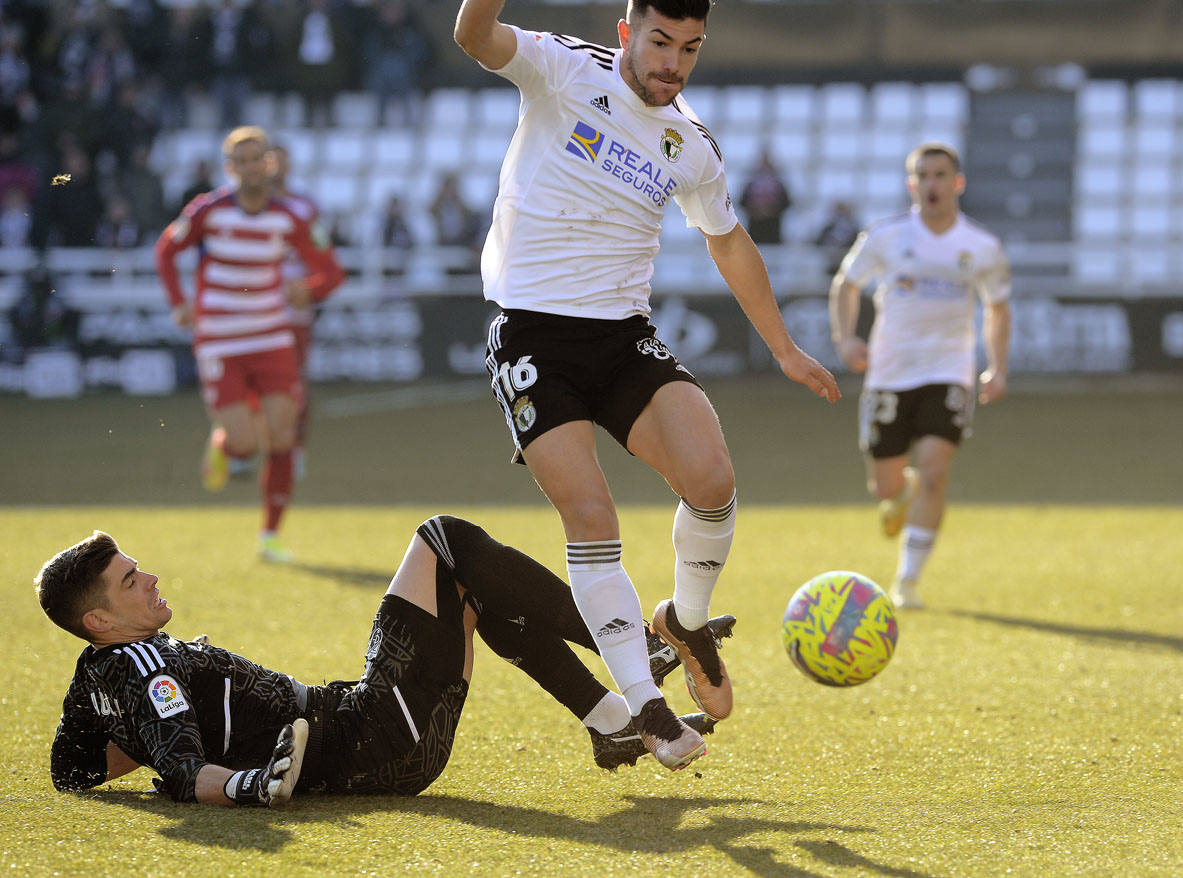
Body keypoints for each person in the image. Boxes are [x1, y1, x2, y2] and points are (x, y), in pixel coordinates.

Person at [454, 0, 840, 771]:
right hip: (531, 333)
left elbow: (728, 243)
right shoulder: (564, 69)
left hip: (622, 338)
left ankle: (684, 621)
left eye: (690, 49)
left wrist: (785, 347)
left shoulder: (690, 144)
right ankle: (646, 706)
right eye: (660, 42)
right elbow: (473, 35)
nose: (673, 63)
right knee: (591, 516)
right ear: (628, 33)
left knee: (712, 478)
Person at [36, 516, 730, 806]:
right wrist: (253, 785)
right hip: (368, 732)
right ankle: (637, 647)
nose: (150, 577)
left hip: (376, 744)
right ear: (98, 621)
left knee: (469, 589)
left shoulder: (113, 672)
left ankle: (611, 718)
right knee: (443, 540)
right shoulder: (143, 665)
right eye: (131, 581)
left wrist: (122, 722)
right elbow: (185, 772)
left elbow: (73, 772)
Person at [828, 141, 1011, 610]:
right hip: (890, 372)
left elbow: (997, 307)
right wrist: (846, 337)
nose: (932, 184)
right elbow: (847, 284)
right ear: (913, 185)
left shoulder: (981, 246)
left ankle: (907, 581)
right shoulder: (886, 236)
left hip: (949, 370)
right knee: (885, 486)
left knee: (934, 472)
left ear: (957, 183)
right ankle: (900, 493)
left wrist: (998, 366)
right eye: (923, 176)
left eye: (940, 176)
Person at [154, 126, 345, 562]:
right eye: (242, 160)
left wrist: (310, 289)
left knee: (283, 432)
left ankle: (269, 536)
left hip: (271, 335)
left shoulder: (292, 215)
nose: (251, 167)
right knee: (245, 444)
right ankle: (225, 443)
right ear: (230, 168)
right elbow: (165, 250)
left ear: (269, 163)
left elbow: (331, 271)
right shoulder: (209, 210)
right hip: (220, 339)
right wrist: (179, 303)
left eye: (258, 158)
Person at [737, 150, 792, 245]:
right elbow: (741, 202)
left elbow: (787, 203)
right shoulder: (751, 183)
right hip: (754, 229)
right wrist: (755, 209)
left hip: (773, 229)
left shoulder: (778, 184)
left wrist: (772, 209)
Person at [813, 200, 860, 276]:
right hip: (830, 259)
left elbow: (858, 242)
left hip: (846, 258)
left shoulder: (853, 227)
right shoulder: (829, 226)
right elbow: (818, 240)